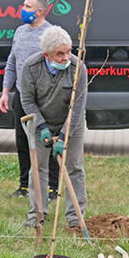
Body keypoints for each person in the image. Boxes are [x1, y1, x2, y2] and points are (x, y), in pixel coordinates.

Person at [19, 26, 88, 228]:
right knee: (38, 167)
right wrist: (42, 127)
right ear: (46, 55)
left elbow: (77, 107)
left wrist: (65, 136)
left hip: (71, 121)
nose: (66, 57)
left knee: (74, 166)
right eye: (60, 54)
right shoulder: (30, 67)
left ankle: (75, 217)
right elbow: (27, 100)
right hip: (41, 121)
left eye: (68, 51)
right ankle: (37, 215)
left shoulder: (78, 68)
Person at [0, 0, 59, 200]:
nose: (22, 8)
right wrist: (6, 92)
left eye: (27, 6)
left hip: (44, 99)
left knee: (47, 142)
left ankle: (53, 188)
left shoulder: (52, 33)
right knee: (23, 142)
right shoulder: (20, 32)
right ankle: (24, 186)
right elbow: (11, 63)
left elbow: (58, 66)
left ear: (39, 11)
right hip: (21, 97)